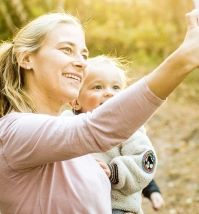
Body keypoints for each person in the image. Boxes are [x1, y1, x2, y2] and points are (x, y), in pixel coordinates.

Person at [0, 8, 199, 213]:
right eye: (66, 49)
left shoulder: (69, 141)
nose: (81, 62)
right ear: (26, 59)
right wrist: (184, 59)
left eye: (84, 53)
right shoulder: (14, 132)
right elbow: (98, 128)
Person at [62, 55, 157, 214]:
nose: (109, 93)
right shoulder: (67, 124)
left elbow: (145, 160)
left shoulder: (128, 126)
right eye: (98, 87)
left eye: (116, 88)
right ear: (75, 101)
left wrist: (113, 172)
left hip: (117, 207)